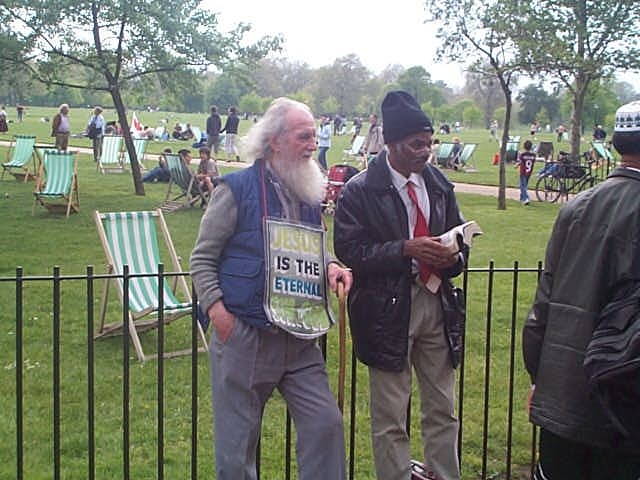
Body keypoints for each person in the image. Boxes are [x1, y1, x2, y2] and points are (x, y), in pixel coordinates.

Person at [190, 97, 352, 480]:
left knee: (325, 424)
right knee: (237, 448)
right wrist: (220, 315)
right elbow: (202, 258)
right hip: (246, 334)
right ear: (275, 141)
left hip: (300, 339)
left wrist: (330, 266)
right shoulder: (235, 189)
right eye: (304, 136)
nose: (314, 143)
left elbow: (314, 244)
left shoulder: (309, 191)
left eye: (314, 135)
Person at [334, 90, 468, 480]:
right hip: (386, 309)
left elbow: (460, 240)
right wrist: (406, 249)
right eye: (416, 144)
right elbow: (350, 249)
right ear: (391, 143)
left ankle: (445, 474)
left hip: (436, 304)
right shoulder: (361, 189)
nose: (425, 151)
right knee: (391, 414)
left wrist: (454, 257)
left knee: (443, 408)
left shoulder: (439, 184)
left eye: (429, 143)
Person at [523, 100, 640, 480]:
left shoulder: (576, 207)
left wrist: (540, 379)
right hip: (624, 411)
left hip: (564, 396)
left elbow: (543, 306)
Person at [515, 139, 536, 205]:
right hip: (529, 172)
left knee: (522, 186)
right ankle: (522, 198)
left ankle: (526, 198)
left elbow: (520, 161)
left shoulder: (523, 154)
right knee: (525, 185)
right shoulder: (533, 155)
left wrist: (516, 165)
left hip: (523, 172)